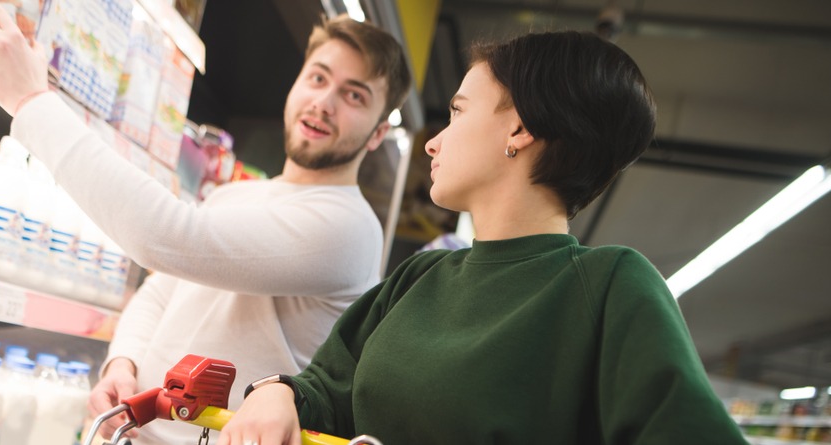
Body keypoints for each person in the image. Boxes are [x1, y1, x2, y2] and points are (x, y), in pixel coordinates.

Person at [218, 31, 749, 445]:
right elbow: (324, 389)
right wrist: (276, 394)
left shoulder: (608, 285)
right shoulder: (418, 278)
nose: (434, 143)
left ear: (518, 129)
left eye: (456, 112)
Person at [0, 2, 411, 444]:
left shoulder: (347, 227)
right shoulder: (236, 194)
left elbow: (168, 238)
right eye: (318, 78)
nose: (324, 102)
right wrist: (123, 361)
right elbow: (162, 287)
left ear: (377, 133)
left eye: (354, 95)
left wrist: (30, 101)